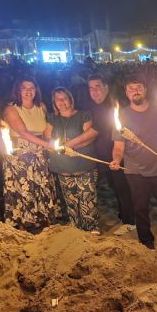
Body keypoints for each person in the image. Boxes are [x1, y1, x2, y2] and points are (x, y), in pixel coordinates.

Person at [109, 75, 157, 250]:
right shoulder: (122, 116)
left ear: (145, 90)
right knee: (139, 207)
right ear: (126, 93)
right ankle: (146, 240)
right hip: (135, 171)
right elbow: (118, 146)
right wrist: (116, 159)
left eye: (138, 87)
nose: (135, 91)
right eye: (131, 89)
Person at [2, 76, 57, 231]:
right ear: (18, 90)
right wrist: (47, 144)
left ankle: (41, 221)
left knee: (42, 187)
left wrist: (51, 142)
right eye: (24, 88)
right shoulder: (11, 109)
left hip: (40, 155)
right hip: (20, 157)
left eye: (32, 88)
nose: (28, 91)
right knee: (23, 190)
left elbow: (47, 129)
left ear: (36, 90)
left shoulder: (41, 106)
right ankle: (22, 225)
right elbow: (22, 132)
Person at [45, 87, 100, 234]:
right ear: (54, 102)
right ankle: (76, 231)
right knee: (71, 202)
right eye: (58, 99)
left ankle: (92, 228)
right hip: (64, 168)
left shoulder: (83, 115)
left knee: (87, 199)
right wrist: (55, 146)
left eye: (64, 98)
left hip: (84, 166)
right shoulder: (52, 118)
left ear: (71, 99)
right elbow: (48, 137)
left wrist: (68, 146)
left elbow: (90, 137)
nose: (61, 102)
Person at [86, 74, 135, 236]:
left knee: (123, 188)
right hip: (102, 156)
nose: (95, 92)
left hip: (118, 155)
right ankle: (124, 215)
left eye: (98, 87)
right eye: (91, 88)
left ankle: (130, 221)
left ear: (106, 87)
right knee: (115, 188)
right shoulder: (92, 106)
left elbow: (98, 130)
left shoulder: (114, 105)